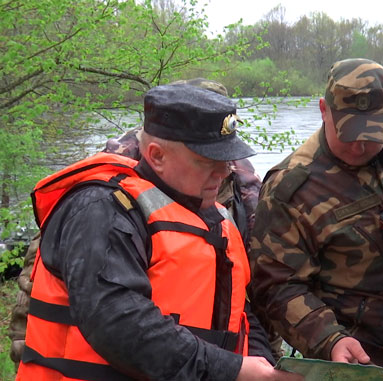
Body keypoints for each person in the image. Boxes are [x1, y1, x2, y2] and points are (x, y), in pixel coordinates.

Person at [16, 84, 300, 380]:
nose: (224, 172)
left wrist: (262, 365)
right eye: (207, 161)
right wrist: (231, 370)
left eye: (226, 159)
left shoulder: (215, 218)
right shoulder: (100, 209)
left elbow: (239, 313)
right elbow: (118, 324)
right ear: (157, 155)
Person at [248, 58, 383, 369]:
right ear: (324, 110)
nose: (360, 145)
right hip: (354, 365)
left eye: (372, 133)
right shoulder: (290, 189)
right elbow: (276, 287)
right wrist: (329, 339)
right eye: (348, 131)